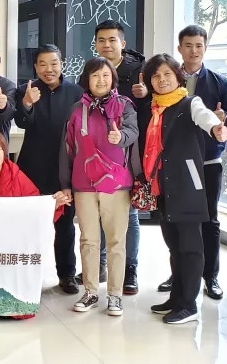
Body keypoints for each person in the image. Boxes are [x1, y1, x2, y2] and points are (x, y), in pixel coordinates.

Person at [155, 25, 227, 300]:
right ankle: (179, 274)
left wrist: (225, 119)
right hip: (177, 165)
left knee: (209, 220)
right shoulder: (169, 77)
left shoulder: (218, 82)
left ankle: (210, 276)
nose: (193, 51)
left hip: (207, 162)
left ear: (205, 48)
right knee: (177, 220)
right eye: (188, 45)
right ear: (179, 48)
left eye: (199, 46)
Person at [141, 54, 227, 325]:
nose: (162, 80)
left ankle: (189, 305)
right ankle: (177, 298)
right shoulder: (156, 109)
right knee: (174, 246)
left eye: (167, 74)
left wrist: (216, 128)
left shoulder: (190, 103)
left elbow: (205, 117)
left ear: (178, 77)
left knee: (190, 247)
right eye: (156, 76)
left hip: (188, 186)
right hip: (165, 187)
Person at [59, 58, 139, 316]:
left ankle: (115, 295)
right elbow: (67, 149)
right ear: (87, 79)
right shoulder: (76, 110)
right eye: (95, 75)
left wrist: (120, 136)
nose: (101, 80)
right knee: (88, 240)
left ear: (113, 78)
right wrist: (65, 184)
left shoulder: (124, 105)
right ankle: (91, 291)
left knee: (116, 241)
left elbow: (133, 132)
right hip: (83, 185)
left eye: (106, 75)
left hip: (116, 184)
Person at [0, 129, 68, 320]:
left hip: (13, 244)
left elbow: (35, 205)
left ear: (4, 152)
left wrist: (52, 204)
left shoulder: (16, 176)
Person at [13, 44, 84, 294]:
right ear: (35, 67)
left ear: (62, 64)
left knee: (65, 225)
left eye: (54, 63)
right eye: (42, 64)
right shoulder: (25, 90)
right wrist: (27, 104)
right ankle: (26, 275)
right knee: (29, 225)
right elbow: (21, 121)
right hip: (32, 168)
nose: (48, 69)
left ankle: (66, 275)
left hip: (65, 170)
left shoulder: (77, 92)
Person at [93, 19, 149, 295]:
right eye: (101, 40)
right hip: (98, 155)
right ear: (95, 44)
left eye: (112, 39)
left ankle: (130, 269)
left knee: (130, 214)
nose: (107, 45)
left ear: (122, 43)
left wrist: (146, 94)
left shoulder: (141, 72)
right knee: (101, 212)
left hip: (129, 153)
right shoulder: (93, 70)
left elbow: (159, 103)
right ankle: (101, 264)